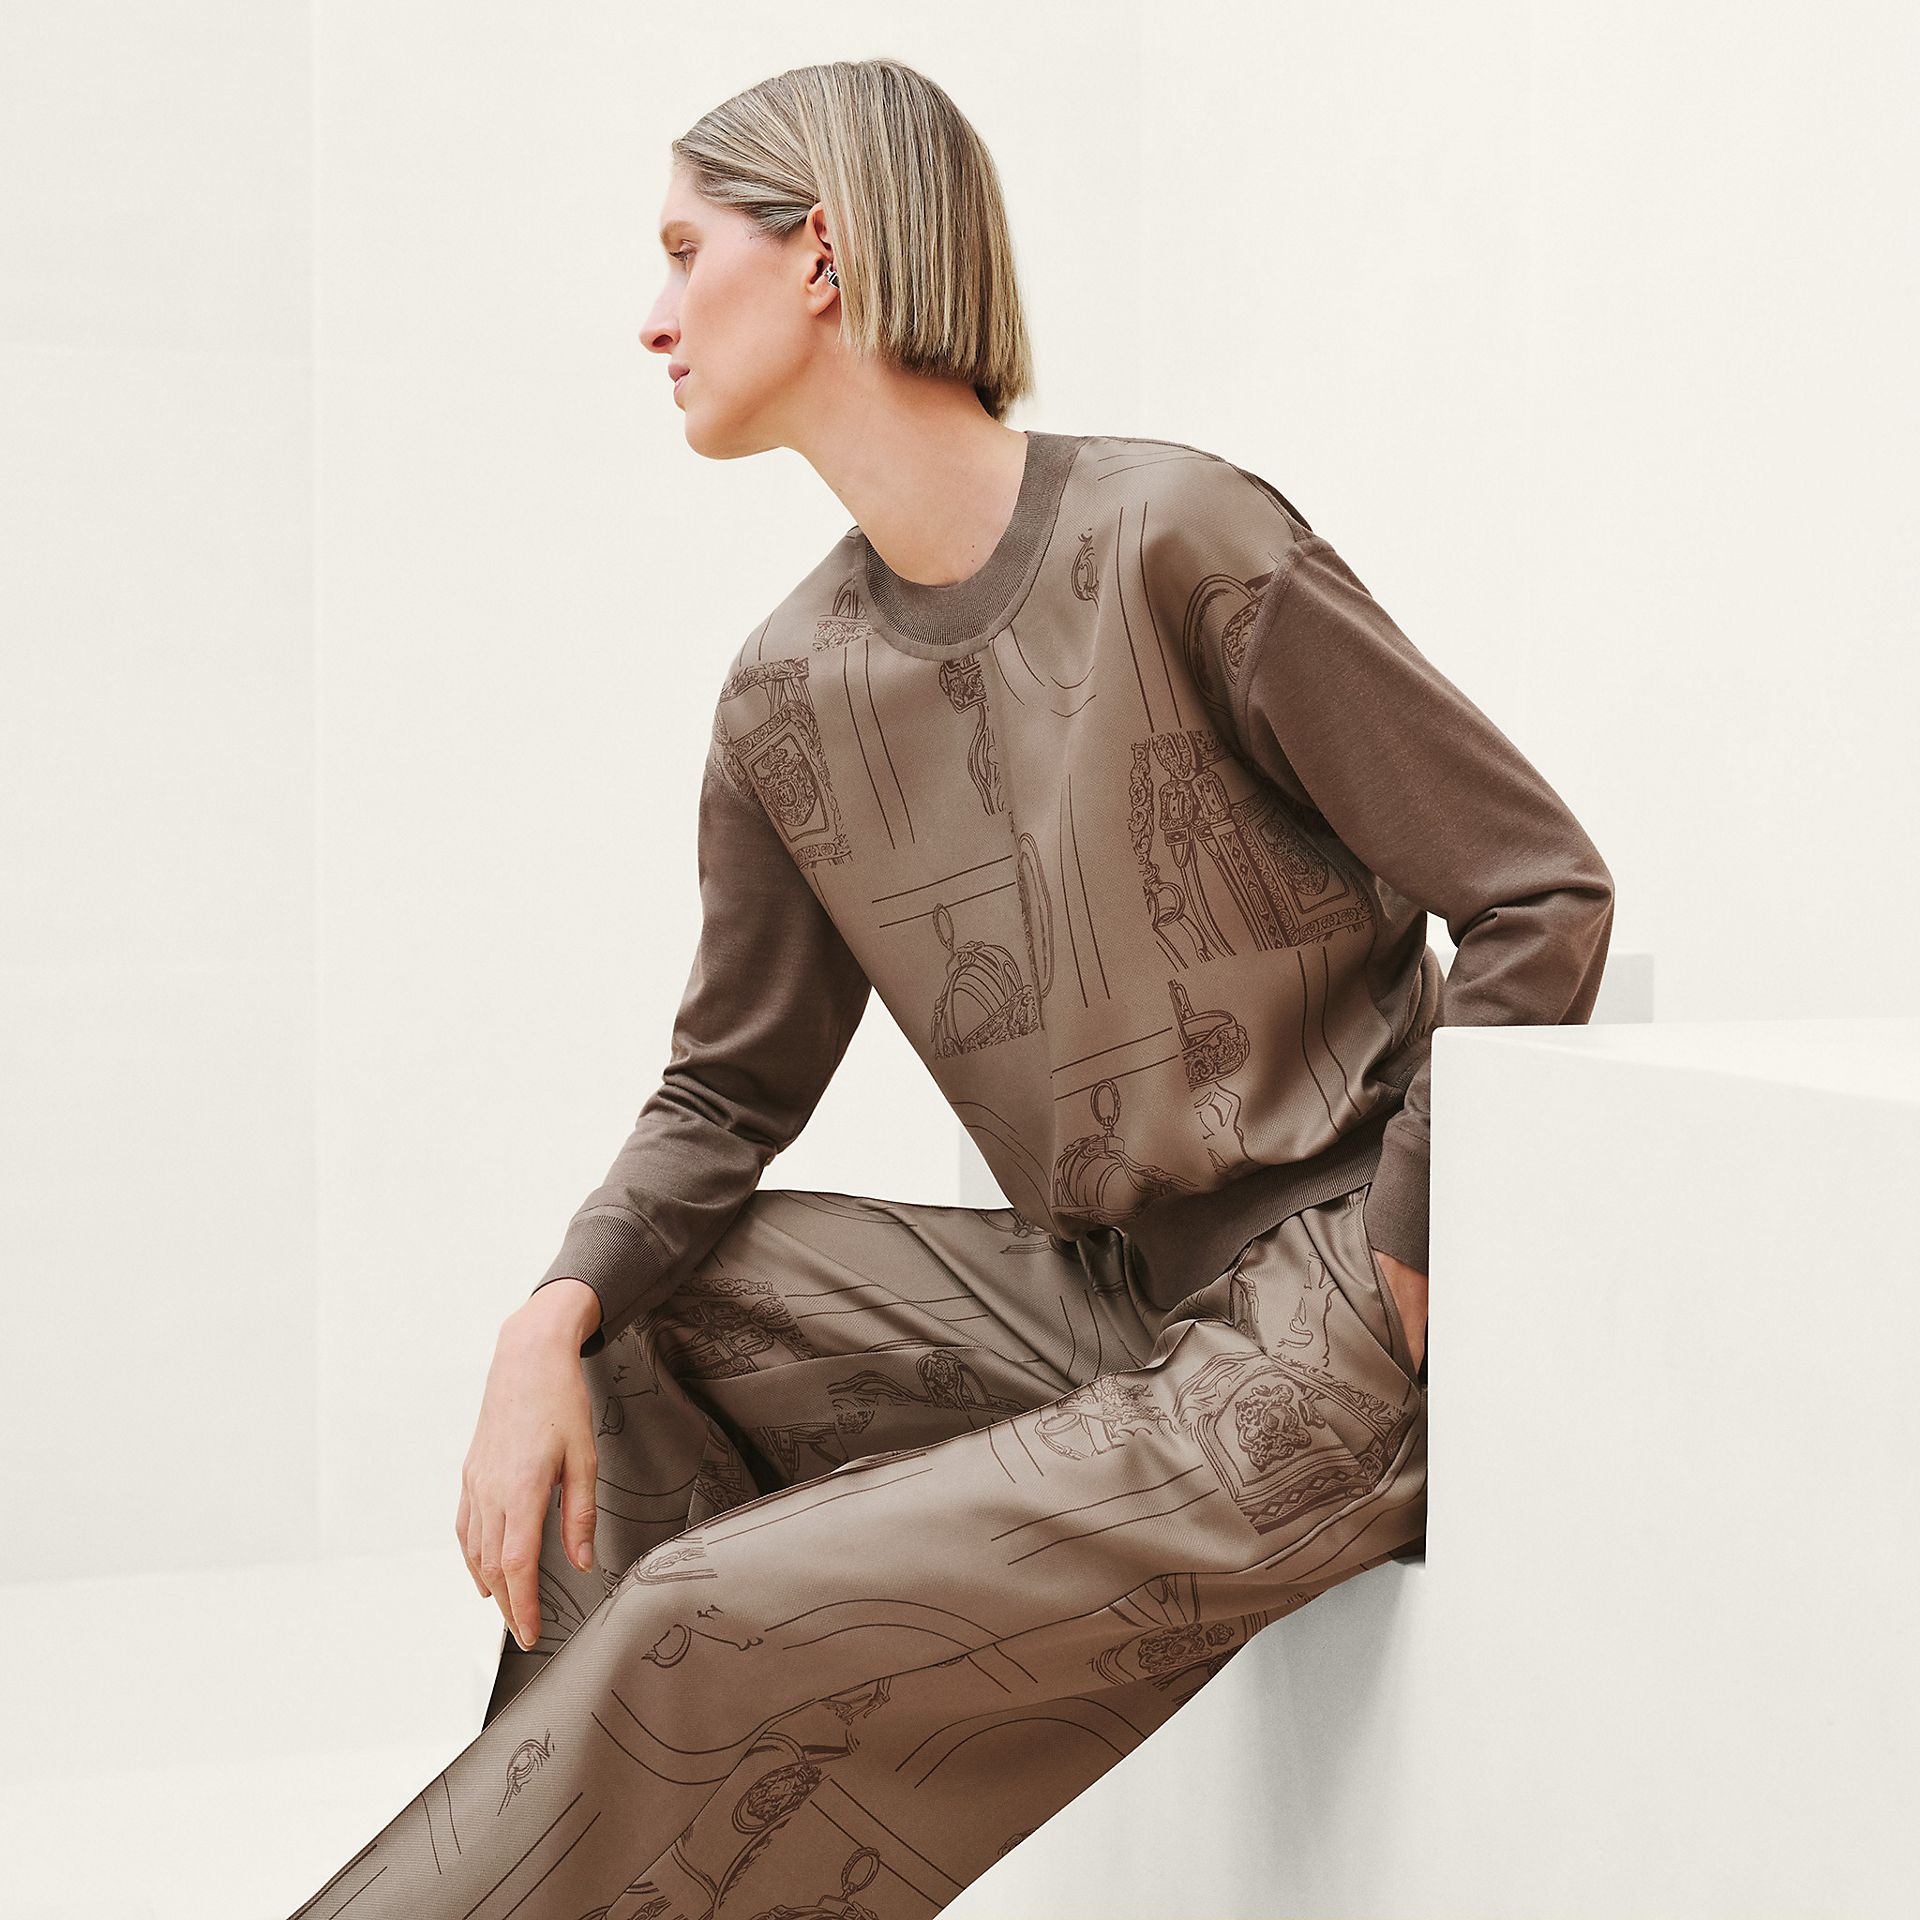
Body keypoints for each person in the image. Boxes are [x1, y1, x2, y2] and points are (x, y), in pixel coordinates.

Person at [285, 56, 1613, 1920]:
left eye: (685, 251)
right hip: (1103, 1309)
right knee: (637, 1331)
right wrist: (542, 1319)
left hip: (1317, 1336)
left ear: (822, 255)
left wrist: (1406, 1244)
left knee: (706, 1609)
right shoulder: (788, 695)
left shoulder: (1179, 535)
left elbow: (1540, 889)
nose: (652, 316)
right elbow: (724, 1093)